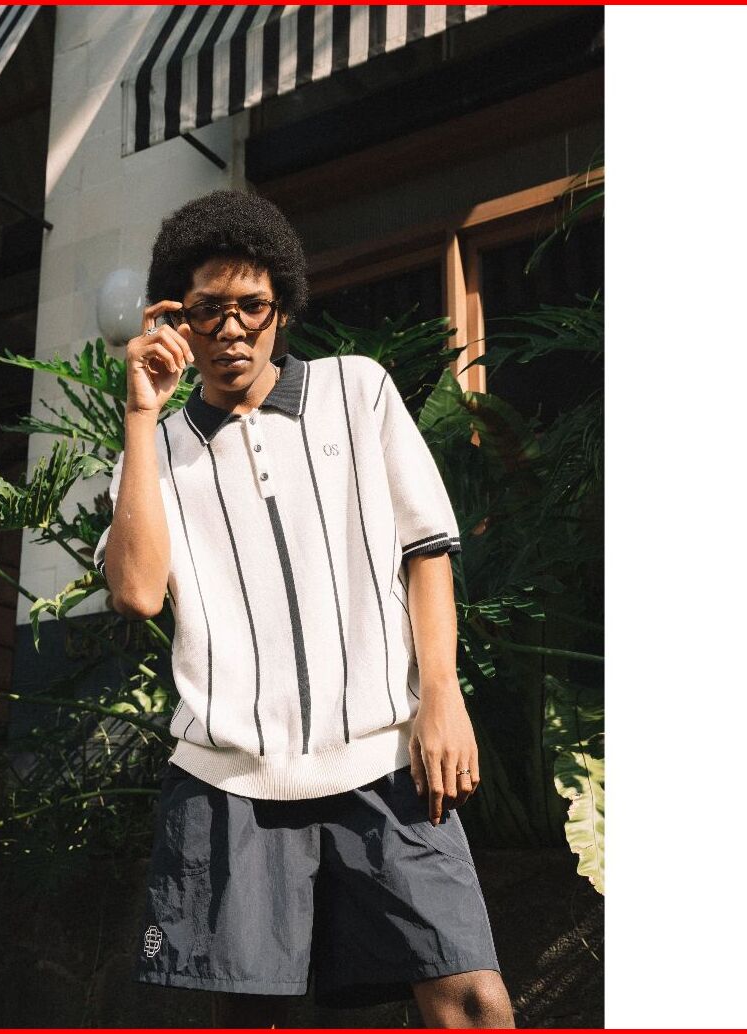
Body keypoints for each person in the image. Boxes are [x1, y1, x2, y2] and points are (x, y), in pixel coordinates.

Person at [92, 189, 514, 1028]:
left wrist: (442, 696)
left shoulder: (358, 392)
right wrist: (141, 414)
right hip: (229, 784)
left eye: (251, 305)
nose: (231, 328)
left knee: (472, 1002)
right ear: (176, 320)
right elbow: (136, 593)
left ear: (282, 306)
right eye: (207, 309)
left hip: (385, 763)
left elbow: (426, 549)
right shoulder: (156, 451)